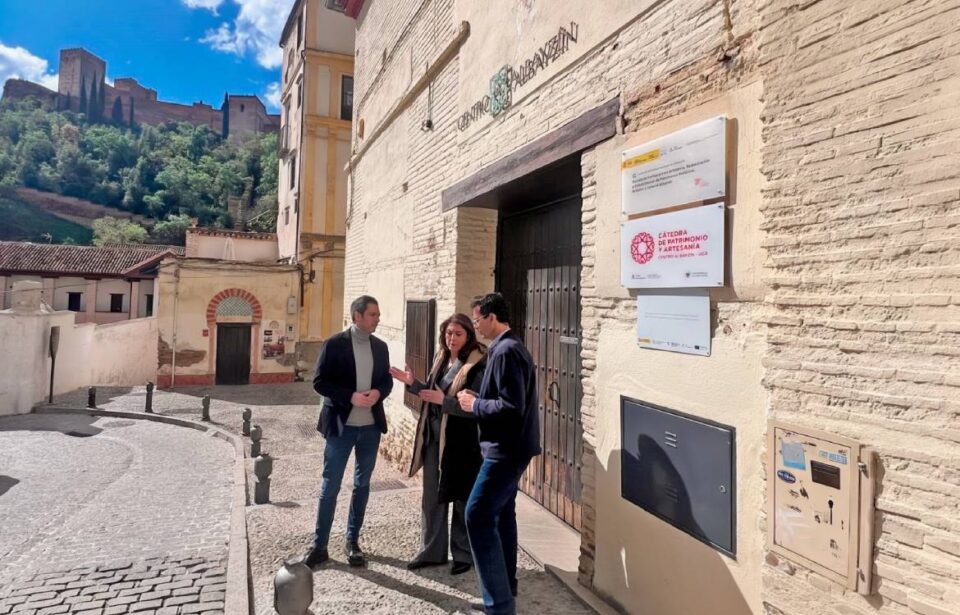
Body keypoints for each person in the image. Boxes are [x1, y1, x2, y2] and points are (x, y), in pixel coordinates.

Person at [457, 293, 540, 615]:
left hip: (505, 450)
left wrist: (475, 405)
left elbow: (511, 407)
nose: (476, 326)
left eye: (477, 320)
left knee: (476, 515)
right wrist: (478, 396)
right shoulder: (507, 348)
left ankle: (498, 605)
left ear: (492, 317)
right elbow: (506, 399)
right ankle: (506, 588)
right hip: (510, 446)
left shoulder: (506, 351)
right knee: (503, 514)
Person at [389, 314, 486, 576]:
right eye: (448, 333)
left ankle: (463, 554)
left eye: (457, 334)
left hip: (461, 442)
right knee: (432, 496)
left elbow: (476, 406)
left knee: (461, 496)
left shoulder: (478, 363)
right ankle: (431, 551)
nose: (451, 338)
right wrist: (412, 384)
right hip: (433, 439)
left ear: (468, 336)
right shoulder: (441, 358)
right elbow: (433, 394)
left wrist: (446, 402)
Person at [304, 295, 393, 568]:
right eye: (372, 315)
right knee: (330, 486)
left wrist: (379, 391)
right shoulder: (334, 344)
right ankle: (320, 546)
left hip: (370, 429)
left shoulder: (380, 347)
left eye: (378, 315)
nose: (377, 319)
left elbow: (386, 380)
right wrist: (349, 397)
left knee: (362, 486)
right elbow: (320, 382)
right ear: (357, 316)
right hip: (340, 428)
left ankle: (352, 542)